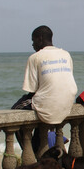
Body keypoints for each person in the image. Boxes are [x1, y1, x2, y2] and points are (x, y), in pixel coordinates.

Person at [16, 25, 77, 153]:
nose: (32, 44)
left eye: (33, 40)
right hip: (67, 102)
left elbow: (31, 89)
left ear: (40, 38)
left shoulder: (35, 57)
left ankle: (29, 151)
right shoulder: (66, 54)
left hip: (47, 103)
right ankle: (38, 146)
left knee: (15, 111)